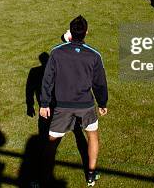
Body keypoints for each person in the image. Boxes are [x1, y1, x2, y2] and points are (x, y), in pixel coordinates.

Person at [40, 16, 108, 187]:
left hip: (62, 106)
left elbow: (47, 80)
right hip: (86, 105)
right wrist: (102, 103)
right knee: (92, 136)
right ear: (86, 32)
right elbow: (100, 82)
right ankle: (91, 175)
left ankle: (45, 177)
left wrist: (44, 103)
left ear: (70, 32)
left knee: (52, 142)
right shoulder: (94, 55)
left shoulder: (56, 52)